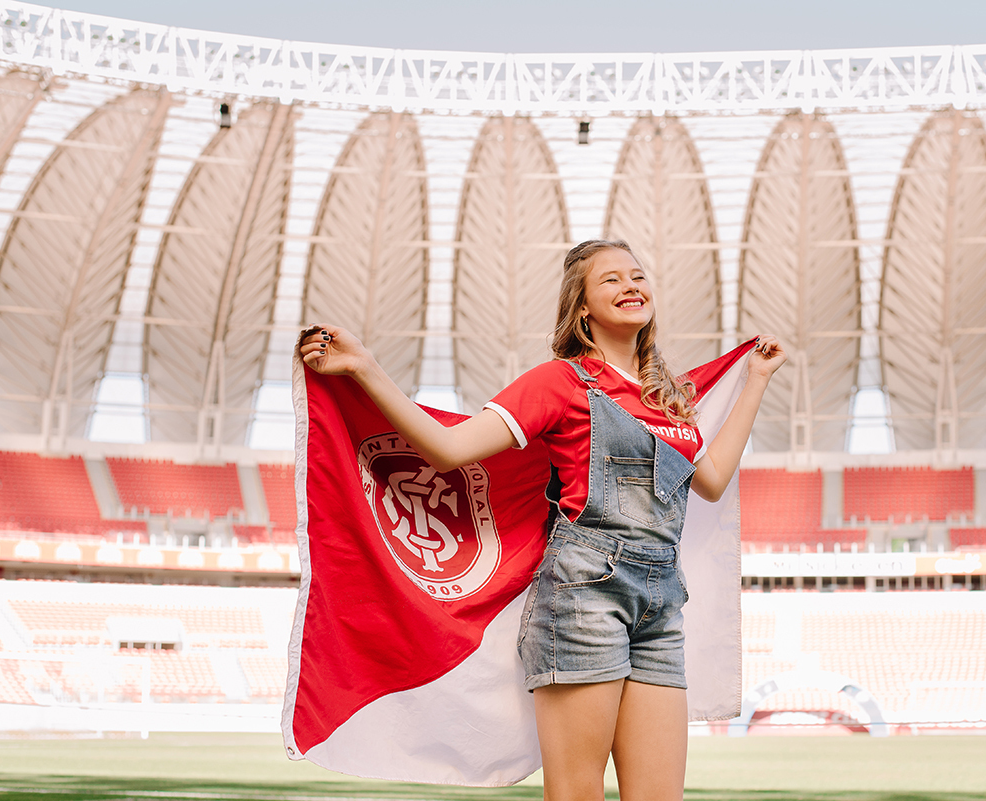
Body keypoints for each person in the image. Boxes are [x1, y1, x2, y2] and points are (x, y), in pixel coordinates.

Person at [298, 239, 785, 801]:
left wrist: (757, 379)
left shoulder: (668, 401)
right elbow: (451, 449)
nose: (631, 286)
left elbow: (715, 477)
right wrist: (365, 367)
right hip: (585, 597)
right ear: (581, 308)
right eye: (610, 280)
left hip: (661, 604)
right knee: (577, 793)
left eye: (637, 275)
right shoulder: (560, 382)